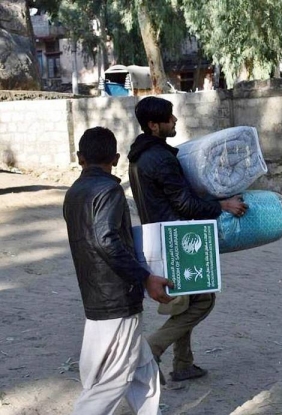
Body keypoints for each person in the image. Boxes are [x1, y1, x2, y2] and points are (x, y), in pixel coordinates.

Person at [128, 96, 247, 383]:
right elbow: (186, 205)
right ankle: (151, 348)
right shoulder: (160, 159)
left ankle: (183, 363)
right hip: (180, 239)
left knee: (187, 300)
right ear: (154, 125)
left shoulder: (140, 156)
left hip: (158, 236)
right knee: (203, 301)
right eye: (170, 118)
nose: (176, 121)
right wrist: (223, 206)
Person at [63, 126, 173, 415]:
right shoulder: (109, 190)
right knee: (114, 379)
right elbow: (105, 239)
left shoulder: (74, 192)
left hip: (97, 296)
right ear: (115, 158)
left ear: (79, 158)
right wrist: (146, 277)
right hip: (116, 299)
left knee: (142, 365)